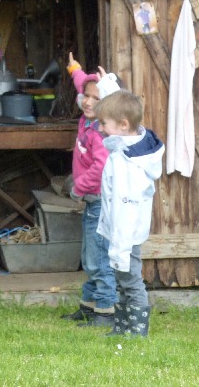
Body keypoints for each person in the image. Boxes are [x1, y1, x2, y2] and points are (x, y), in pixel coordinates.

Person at [94, 90, 164, 338]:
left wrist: (119, 246)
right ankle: (123, 327)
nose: (100, 128)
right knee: (122, 280)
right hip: (120, 232)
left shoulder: (129, 164)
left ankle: (136, 331)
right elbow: (119, 105)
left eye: (103, 123)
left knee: (131, 281)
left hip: (125, 235)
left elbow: (126, 207)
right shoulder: (127, 148)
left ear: (123, 125)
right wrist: (106, 85)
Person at [59, 53, 120, 328]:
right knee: (89, 256)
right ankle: (88, 306)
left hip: (99, 201)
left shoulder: (99, 132)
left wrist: (78, 186)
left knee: (99, 259)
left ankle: (106, 312)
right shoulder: (87, 116)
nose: (88, 101)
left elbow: (102, 166)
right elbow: (83, 83)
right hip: (91, 201)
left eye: (96, 99)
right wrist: (74, 69)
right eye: (87, 97)